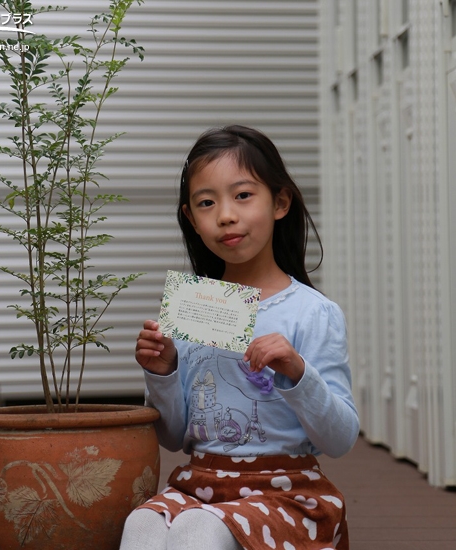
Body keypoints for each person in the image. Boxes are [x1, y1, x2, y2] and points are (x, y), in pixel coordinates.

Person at [119, 125, 359, 550]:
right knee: (141, 526)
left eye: (243, 195)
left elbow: (339, 440)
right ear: (191, 219)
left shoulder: (312, 312)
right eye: (207, 203)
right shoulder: (195, 308)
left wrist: (297, 371)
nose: (226, 215)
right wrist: (163, 373)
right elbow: (173, 437)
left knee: (201, 530)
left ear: (280, 202)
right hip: (200, 483)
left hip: (286, 490)